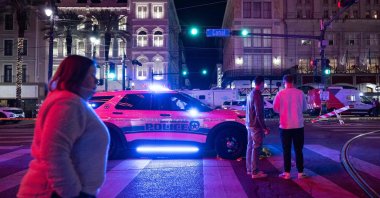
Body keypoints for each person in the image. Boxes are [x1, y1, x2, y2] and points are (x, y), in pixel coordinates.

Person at [17, 55, 110, 198]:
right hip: (53, 192)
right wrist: (71, 193)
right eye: (92, 74)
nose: (97, 80)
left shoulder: (70, 101)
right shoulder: (68, 103)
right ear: (77, 76)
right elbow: (54, 153)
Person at [273, 75, 307, 180]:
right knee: (298, 149)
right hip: (298, 125)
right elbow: (304, 108)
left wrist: (283, 111)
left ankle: (287, 173)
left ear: (284, 82)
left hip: (285, 126)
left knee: (286, 150)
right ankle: (300, 172)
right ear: (293, 82)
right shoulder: (300, 93)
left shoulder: (280, 94)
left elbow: (275, 108)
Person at [245, 76, 270, 179]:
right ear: (261, 83)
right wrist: (264, 128)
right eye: (264, 84)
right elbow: (259, 113)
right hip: (255, 125)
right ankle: (255, 172)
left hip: (249, 124)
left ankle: (249, 169)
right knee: (256, 147)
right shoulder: (257, 95)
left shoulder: (250, 94)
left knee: (250, 146)